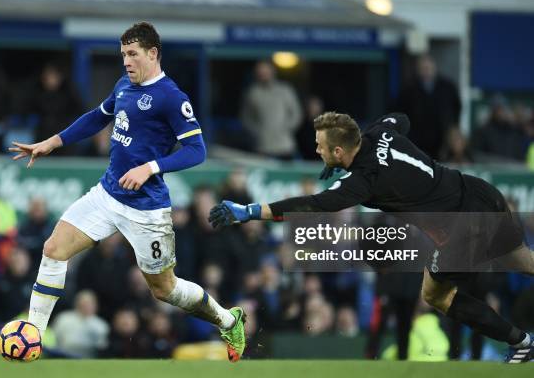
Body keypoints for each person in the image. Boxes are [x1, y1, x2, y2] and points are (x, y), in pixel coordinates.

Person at [0, 22, 246, 362]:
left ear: (153, 54)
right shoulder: (124, 84)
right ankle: (32, 335)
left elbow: (196, 150)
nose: (126, 61)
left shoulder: (171, 97)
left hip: (147, 209)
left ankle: (229, 320)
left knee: (163, 289)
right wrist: (51, 142)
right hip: (107, 195)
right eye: (123, 54)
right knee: (53, 249)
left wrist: (150, 167)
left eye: (133, 54)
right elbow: (98, 117)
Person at [209, 111, 534, 363]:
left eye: (321, 147)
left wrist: (250, 210)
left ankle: (522, 344)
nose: (316, 149)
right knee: (521, 259)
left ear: (339, 150)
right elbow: (400, 118)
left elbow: (314, 204)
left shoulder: (364, 181)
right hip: (481, 194)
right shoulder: (380, 132)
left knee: (436, 295)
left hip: (461, 227)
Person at [240, 60, 302, 159]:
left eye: (265, 71)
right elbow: (246, 118)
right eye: (260, 72)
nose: (263, 74)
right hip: (262, 147)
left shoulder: (285, 90)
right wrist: (258, 132)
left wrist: (285, 129)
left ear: (272, 71)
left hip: (285, 145)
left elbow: (296, 114)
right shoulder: (253, 93)